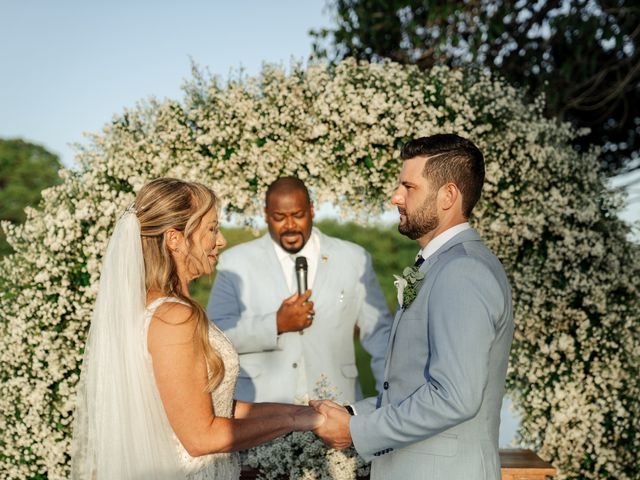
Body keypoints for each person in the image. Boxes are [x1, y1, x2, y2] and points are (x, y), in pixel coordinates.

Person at [70, 178, 324, 480]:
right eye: (212, 229)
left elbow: (210, 404)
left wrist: (298, 412)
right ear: (174, 239)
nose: (222, 241)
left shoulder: (158, 308)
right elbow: (201, 437)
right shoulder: (174, 318)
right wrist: (297, 421)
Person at [311, 134, 514, 480]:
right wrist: (350, 413)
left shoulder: (463, 271)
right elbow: (408, 389)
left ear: (448, 195)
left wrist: (357, 432)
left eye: (409, 187)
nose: (396, 197)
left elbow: (455, 397)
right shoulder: (440, 265)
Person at [207, 177, 392, 404]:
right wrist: (275, 324)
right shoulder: (235, 263)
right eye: (279, 218)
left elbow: (380, 335)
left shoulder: (354, 258)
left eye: (298, 215)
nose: (290, 225)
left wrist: (389, 400)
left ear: (311, 210)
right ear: (266, 214)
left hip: (337, 407)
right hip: (262, 412)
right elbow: (215, 337)